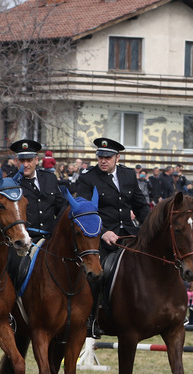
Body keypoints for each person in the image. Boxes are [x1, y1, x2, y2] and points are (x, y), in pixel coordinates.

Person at [75, 137, 150, 336]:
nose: (103, 160)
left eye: (108, 157)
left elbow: (140, 205)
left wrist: (151, 228)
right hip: (101, 236)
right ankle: (91, 319)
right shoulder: (88, 178)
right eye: (100, 157)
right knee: (95, 273)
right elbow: (84, 211)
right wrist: (103, 232)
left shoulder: (127, 175)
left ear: (117, 157)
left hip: (129, 234)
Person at [9, 139, 62, 239]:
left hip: (50, 239)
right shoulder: (10, 182)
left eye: (29, 160)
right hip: (24, 240)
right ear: (16, 161)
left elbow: (61, 207)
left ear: (36, 160)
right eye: (22, 161)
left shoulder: (50, 178)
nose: (25, 165)